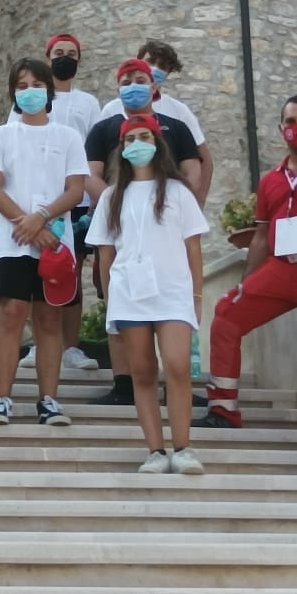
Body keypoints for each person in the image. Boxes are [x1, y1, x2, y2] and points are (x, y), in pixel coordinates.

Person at [201, 96, 297, 439]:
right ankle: (223, 408)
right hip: (280, 268)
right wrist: (246, 283)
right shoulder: (272, 180)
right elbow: (262, 236)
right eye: (291, 121)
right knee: (226, 315)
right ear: (281, 129)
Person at [87, 115, 209, 474]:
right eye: (131, 139)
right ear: (122, 149)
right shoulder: (112, 196)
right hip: (130, 294)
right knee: (141, 372)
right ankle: (156, 450)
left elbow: (194, 247)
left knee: (177, 365)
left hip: (172, 291)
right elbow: (105, 253)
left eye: (145, 137)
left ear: (157, 143)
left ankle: (183, 447)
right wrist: (111, 301)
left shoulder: (177, 191)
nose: (138, 144)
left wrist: (197, 296)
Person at [83, 58, 203, 406]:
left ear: (154, 85)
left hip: (165, 226)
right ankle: (124, 383)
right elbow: (90, 173)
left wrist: (171, 203)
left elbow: (192, 171)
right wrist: (116, 199)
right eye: (126, 80)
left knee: (174, 311)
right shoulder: (103, 129)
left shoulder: (176, 128)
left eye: (140, 79)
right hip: (121, 224)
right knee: (119, 302)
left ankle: (179, 385)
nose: (133, 86)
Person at [0, 57, 88, 427]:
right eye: (22, 86)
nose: (30, 92)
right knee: (11, 313)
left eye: (37, 85)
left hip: (56, 242)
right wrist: (25, 222)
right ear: (13, 92)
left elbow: (75, 190)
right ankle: (2, 399)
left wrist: (41, 218)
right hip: (14, 241)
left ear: (49, 90)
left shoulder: (68, 136)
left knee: (49, 318)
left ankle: (49, 399)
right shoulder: (0, 136)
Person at [15, 33, 100, 372]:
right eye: (59, 52)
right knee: (34, 272)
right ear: (48, 58)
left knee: (71, 272)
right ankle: (38, 343)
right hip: (34, 199)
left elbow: (95, 153)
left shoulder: (89, 103)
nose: (65, 57)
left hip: (74, 198)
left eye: (71, 53)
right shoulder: (28, 99)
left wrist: (94, 203)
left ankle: (71, 347)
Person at [98, 40, 212, 204]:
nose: (156, 68)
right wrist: (113, 203)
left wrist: (196, 204)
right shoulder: (111, 110)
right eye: (151, 62)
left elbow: (204, 160)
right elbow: (96, 160)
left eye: (163, 66)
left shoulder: (179, 111)